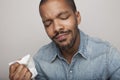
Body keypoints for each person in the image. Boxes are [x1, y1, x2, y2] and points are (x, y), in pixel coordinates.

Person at [9, 0, 120, 80]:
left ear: (77, 17)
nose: (56, 28)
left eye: (63, 18)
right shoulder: (39, 61)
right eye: (48, 24)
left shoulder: (108, 56)